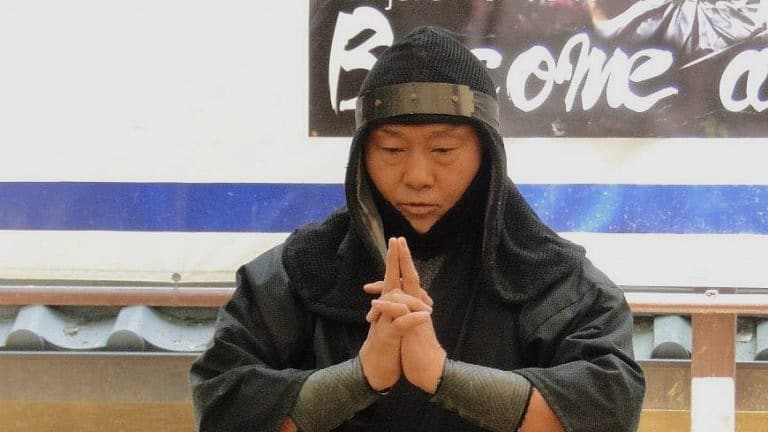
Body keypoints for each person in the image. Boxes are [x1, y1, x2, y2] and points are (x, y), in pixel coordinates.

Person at [190, 26, 645, 431]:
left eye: (443, 150)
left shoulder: (554, 278)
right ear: (361, 156)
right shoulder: (296, 273)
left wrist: (444, 376)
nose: (417, 176)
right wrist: (359, 377)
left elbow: (610, 408)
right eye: (392, 150)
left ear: (487, 152)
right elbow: (221, 404)